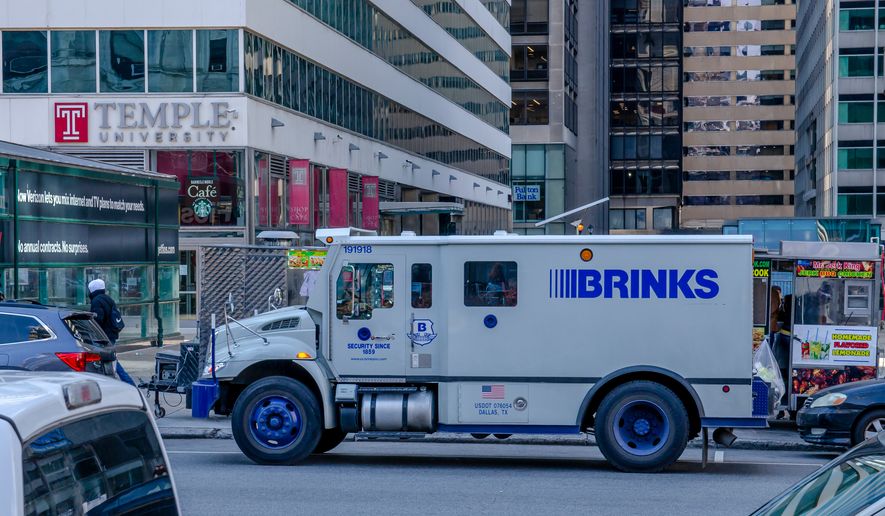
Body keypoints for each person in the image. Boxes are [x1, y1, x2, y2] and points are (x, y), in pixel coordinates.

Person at [88, 279, 135, 386]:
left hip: (103, 337)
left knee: (110, 362)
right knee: (110, 361)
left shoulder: (97, 301)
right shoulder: (108, 299)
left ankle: (129, 384)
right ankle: (124, 383)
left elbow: (97, 320)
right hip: (111, 335)